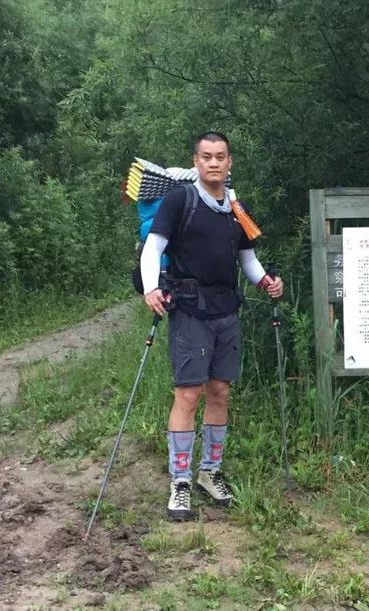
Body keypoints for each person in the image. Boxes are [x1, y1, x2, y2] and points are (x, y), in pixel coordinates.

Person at [141, 131, 283, 520]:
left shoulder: (236, 207)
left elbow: (247, 258)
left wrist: (265, 282)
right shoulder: (179, 200)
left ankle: (210, 472)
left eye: (220, 156)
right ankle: (181, 481)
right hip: (189, 310)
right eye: (207, 157)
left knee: (220, 391)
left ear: (230, 162)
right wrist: (152, 288)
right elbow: (154, 248)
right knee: (187, 395)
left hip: (226, 310)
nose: (214, 163)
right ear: (196, 161)